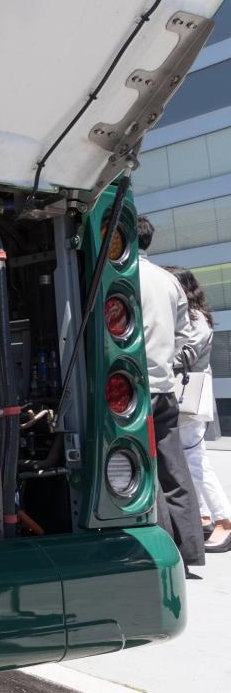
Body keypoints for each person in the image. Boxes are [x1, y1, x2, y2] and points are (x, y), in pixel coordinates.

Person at [137, 216, 205, 570]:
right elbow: (184, 333)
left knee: (143, 470)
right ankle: (191, 548)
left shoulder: (117, 275)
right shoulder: (168, 280)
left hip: (132, 388)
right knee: (174, 470)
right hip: (163, 386)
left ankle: (162, 554)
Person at [164, 266, 231, 552]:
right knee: (188, 460)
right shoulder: (191, 317)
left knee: (195, 461)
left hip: (189, 396)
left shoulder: (196, 320)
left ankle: (224, 522)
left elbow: (186, 355)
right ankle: (204, 517)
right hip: (184, 397)